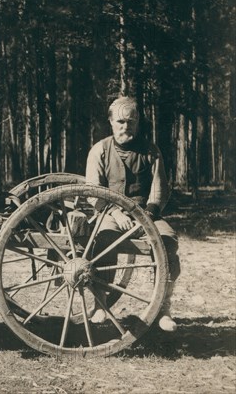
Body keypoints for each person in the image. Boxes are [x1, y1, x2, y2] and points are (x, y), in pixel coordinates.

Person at [86, 96, 180, 332]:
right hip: (110, 213)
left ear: (137, 123)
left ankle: (163, 307)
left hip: (146, 214)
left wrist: (146, 217)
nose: (125, 126)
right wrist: (115, 214)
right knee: (103, 238)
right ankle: (100, 304)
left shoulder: (151, 151)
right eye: (120, 121)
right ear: (110, 122)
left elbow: (160, 190)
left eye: (131, 121)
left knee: (167, 239)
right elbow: (92, 191)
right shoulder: (100, 150)